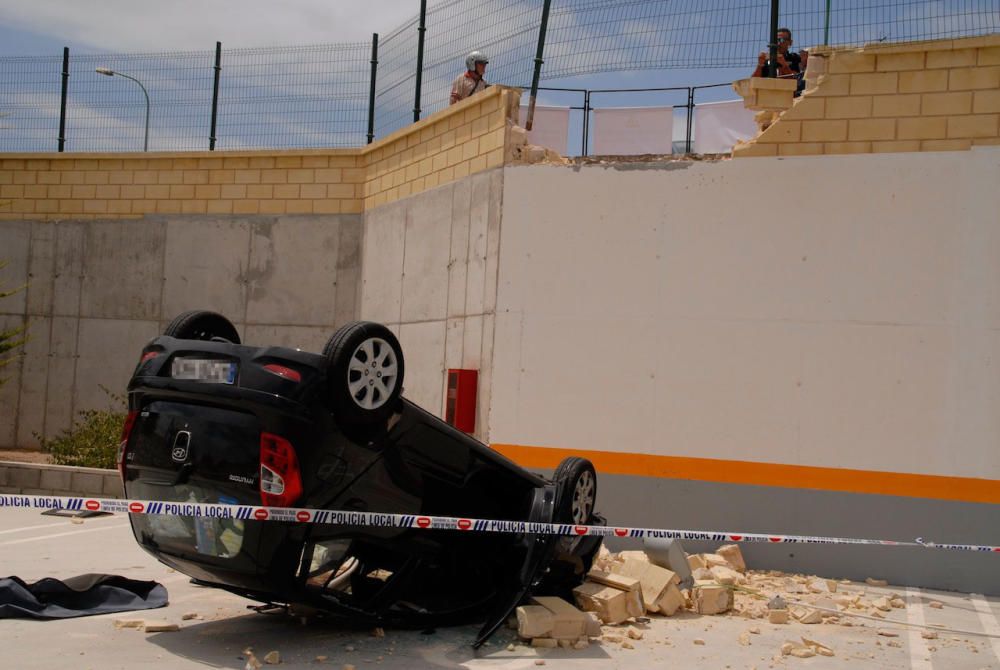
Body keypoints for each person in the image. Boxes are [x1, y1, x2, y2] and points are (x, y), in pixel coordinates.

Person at [752, 28, 808, 95]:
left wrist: (783, 64)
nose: (778, 43)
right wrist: (760, 65)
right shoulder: (766, 61)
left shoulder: (795, 58)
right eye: (776, 40)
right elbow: (753, 84)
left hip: (788, 98)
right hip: (768, 97)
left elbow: (795, 83)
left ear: (790, 42)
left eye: (782, 40)